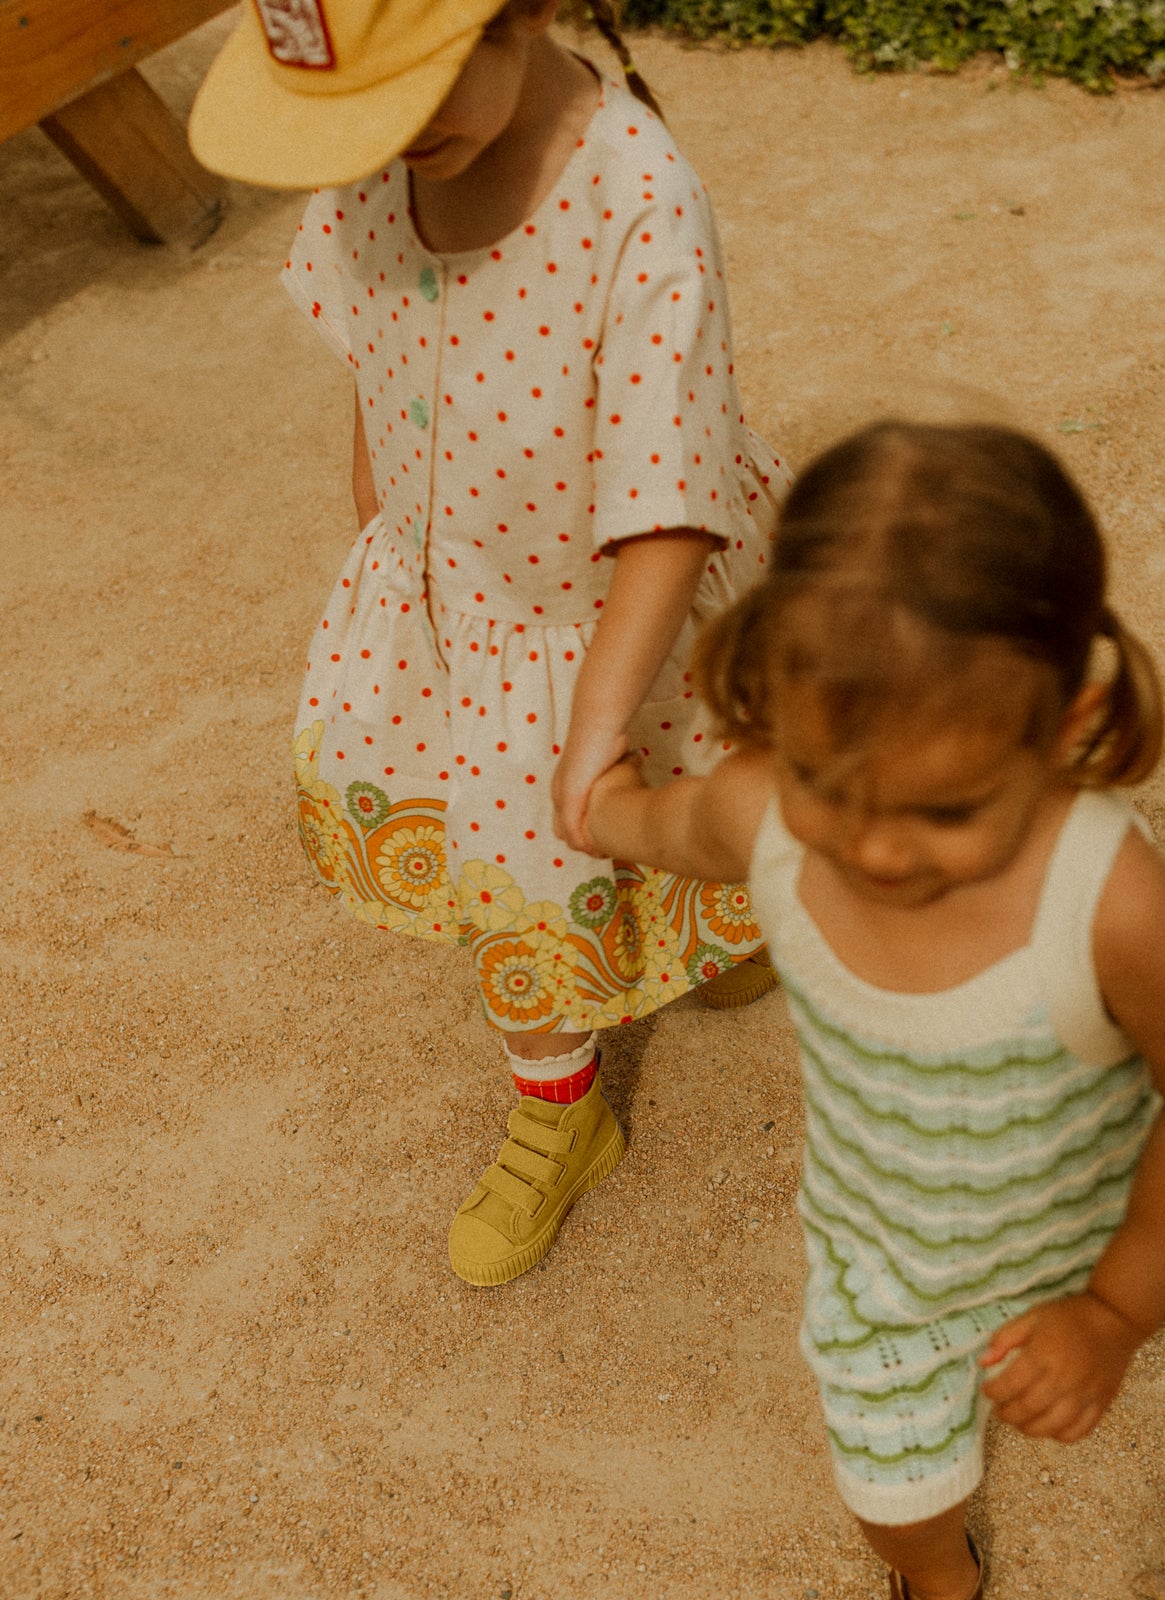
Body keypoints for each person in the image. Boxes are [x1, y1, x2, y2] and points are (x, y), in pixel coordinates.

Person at [584, 422, 1165, 1600]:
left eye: (945, 810)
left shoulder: (1108, 896)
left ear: (1061, 728)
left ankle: (1164, 1251)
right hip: (883, 1266)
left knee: (1160, 1206)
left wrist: (1111, 1310)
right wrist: (597, 804)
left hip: (1085, 1206)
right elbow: (668, 825)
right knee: (888, 1500)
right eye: (832, 787)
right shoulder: (764, 810)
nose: (880, 847)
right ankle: (940, 1580)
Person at [188, 0, 788, 1287]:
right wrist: (384, 534)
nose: (393, 146)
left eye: (415, 101)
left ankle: (701, 938)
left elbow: (668, 508)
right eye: (360, 123)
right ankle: (566, 1104)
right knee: (510, 880)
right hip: (464, 607)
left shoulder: (637, 196)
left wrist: (585, 736)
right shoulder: (383, 160)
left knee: (644, 781)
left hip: (614, 606)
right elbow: (370, 336)